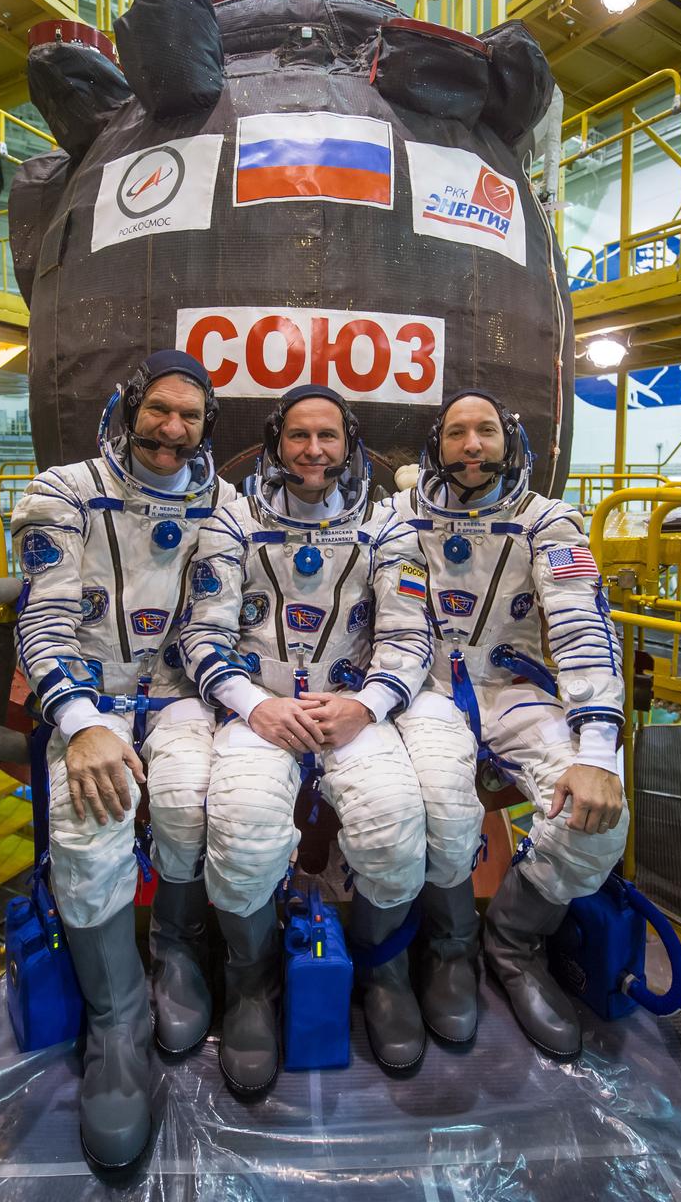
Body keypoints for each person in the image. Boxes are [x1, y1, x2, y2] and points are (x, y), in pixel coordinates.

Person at [11, 350, 235, 1168]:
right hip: (89, 694)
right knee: (85, 828)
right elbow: (43, 622)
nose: (172, 431)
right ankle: (117, 1021)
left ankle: (177, 959)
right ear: (129, 407)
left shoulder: (223, 504)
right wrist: (79, 720)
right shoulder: (62, 491)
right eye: (160, 412)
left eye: (190, 418)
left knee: (190, 800)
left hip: (177, 693)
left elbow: (212, 623)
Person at [179, 384, 433, 1092]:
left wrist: (366, 705)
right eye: (298, 436)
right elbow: (202, 633)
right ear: (274, 442)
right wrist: (252, 705)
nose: (313, 451)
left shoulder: (388, 530)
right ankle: (251, 984)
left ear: (349, 443)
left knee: (392, 825)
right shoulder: (231, 525)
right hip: (260, 712)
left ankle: (382, 974)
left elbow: (409, 640)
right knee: (240, 827)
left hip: (349, 710)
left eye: (327, 436)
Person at [390, 390, 628, 1060]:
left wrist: (598, 752)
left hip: (514, 693)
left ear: (506, 439)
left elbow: (583, 628)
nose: (472, 445)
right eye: (458, 432)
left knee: (596, 822)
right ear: (436, 444)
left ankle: (515, 945)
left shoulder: (547, 522)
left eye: (486, 430)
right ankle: (450, 951)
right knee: (440, 804)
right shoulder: (397, 518)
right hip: (428, 691)